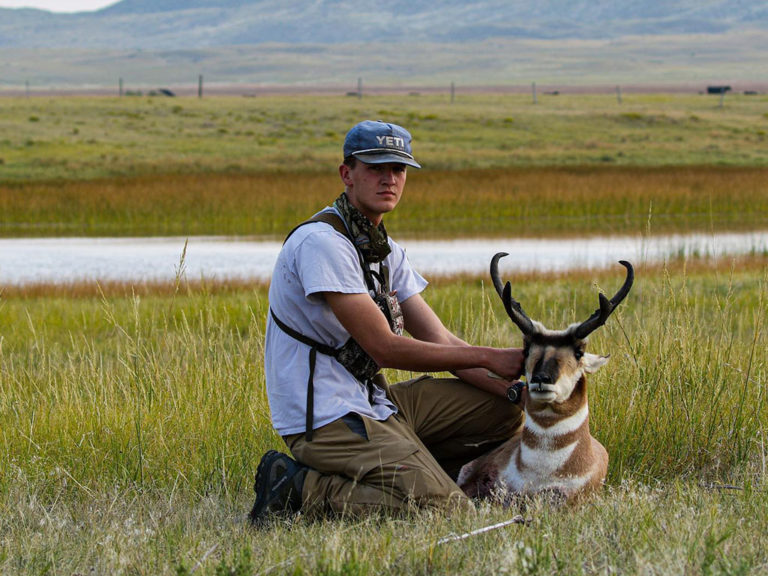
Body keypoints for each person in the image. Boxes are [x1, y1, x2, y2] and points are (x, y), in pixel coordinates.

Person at [249, 120, 525, 524]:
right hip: (325, 420)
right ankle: (300, 487)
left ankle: (410, 472)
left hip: (373, 404)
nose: (389, 179)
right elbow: (384, 347)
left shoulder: (383, 249)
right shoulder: (322, 243)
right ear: (347, 175)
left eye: (398, 170)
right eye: (376, 168)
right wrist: (491, 355)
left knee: (504, 411)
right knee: (443, 512)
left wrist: (517, 390)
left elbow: (440, 339)